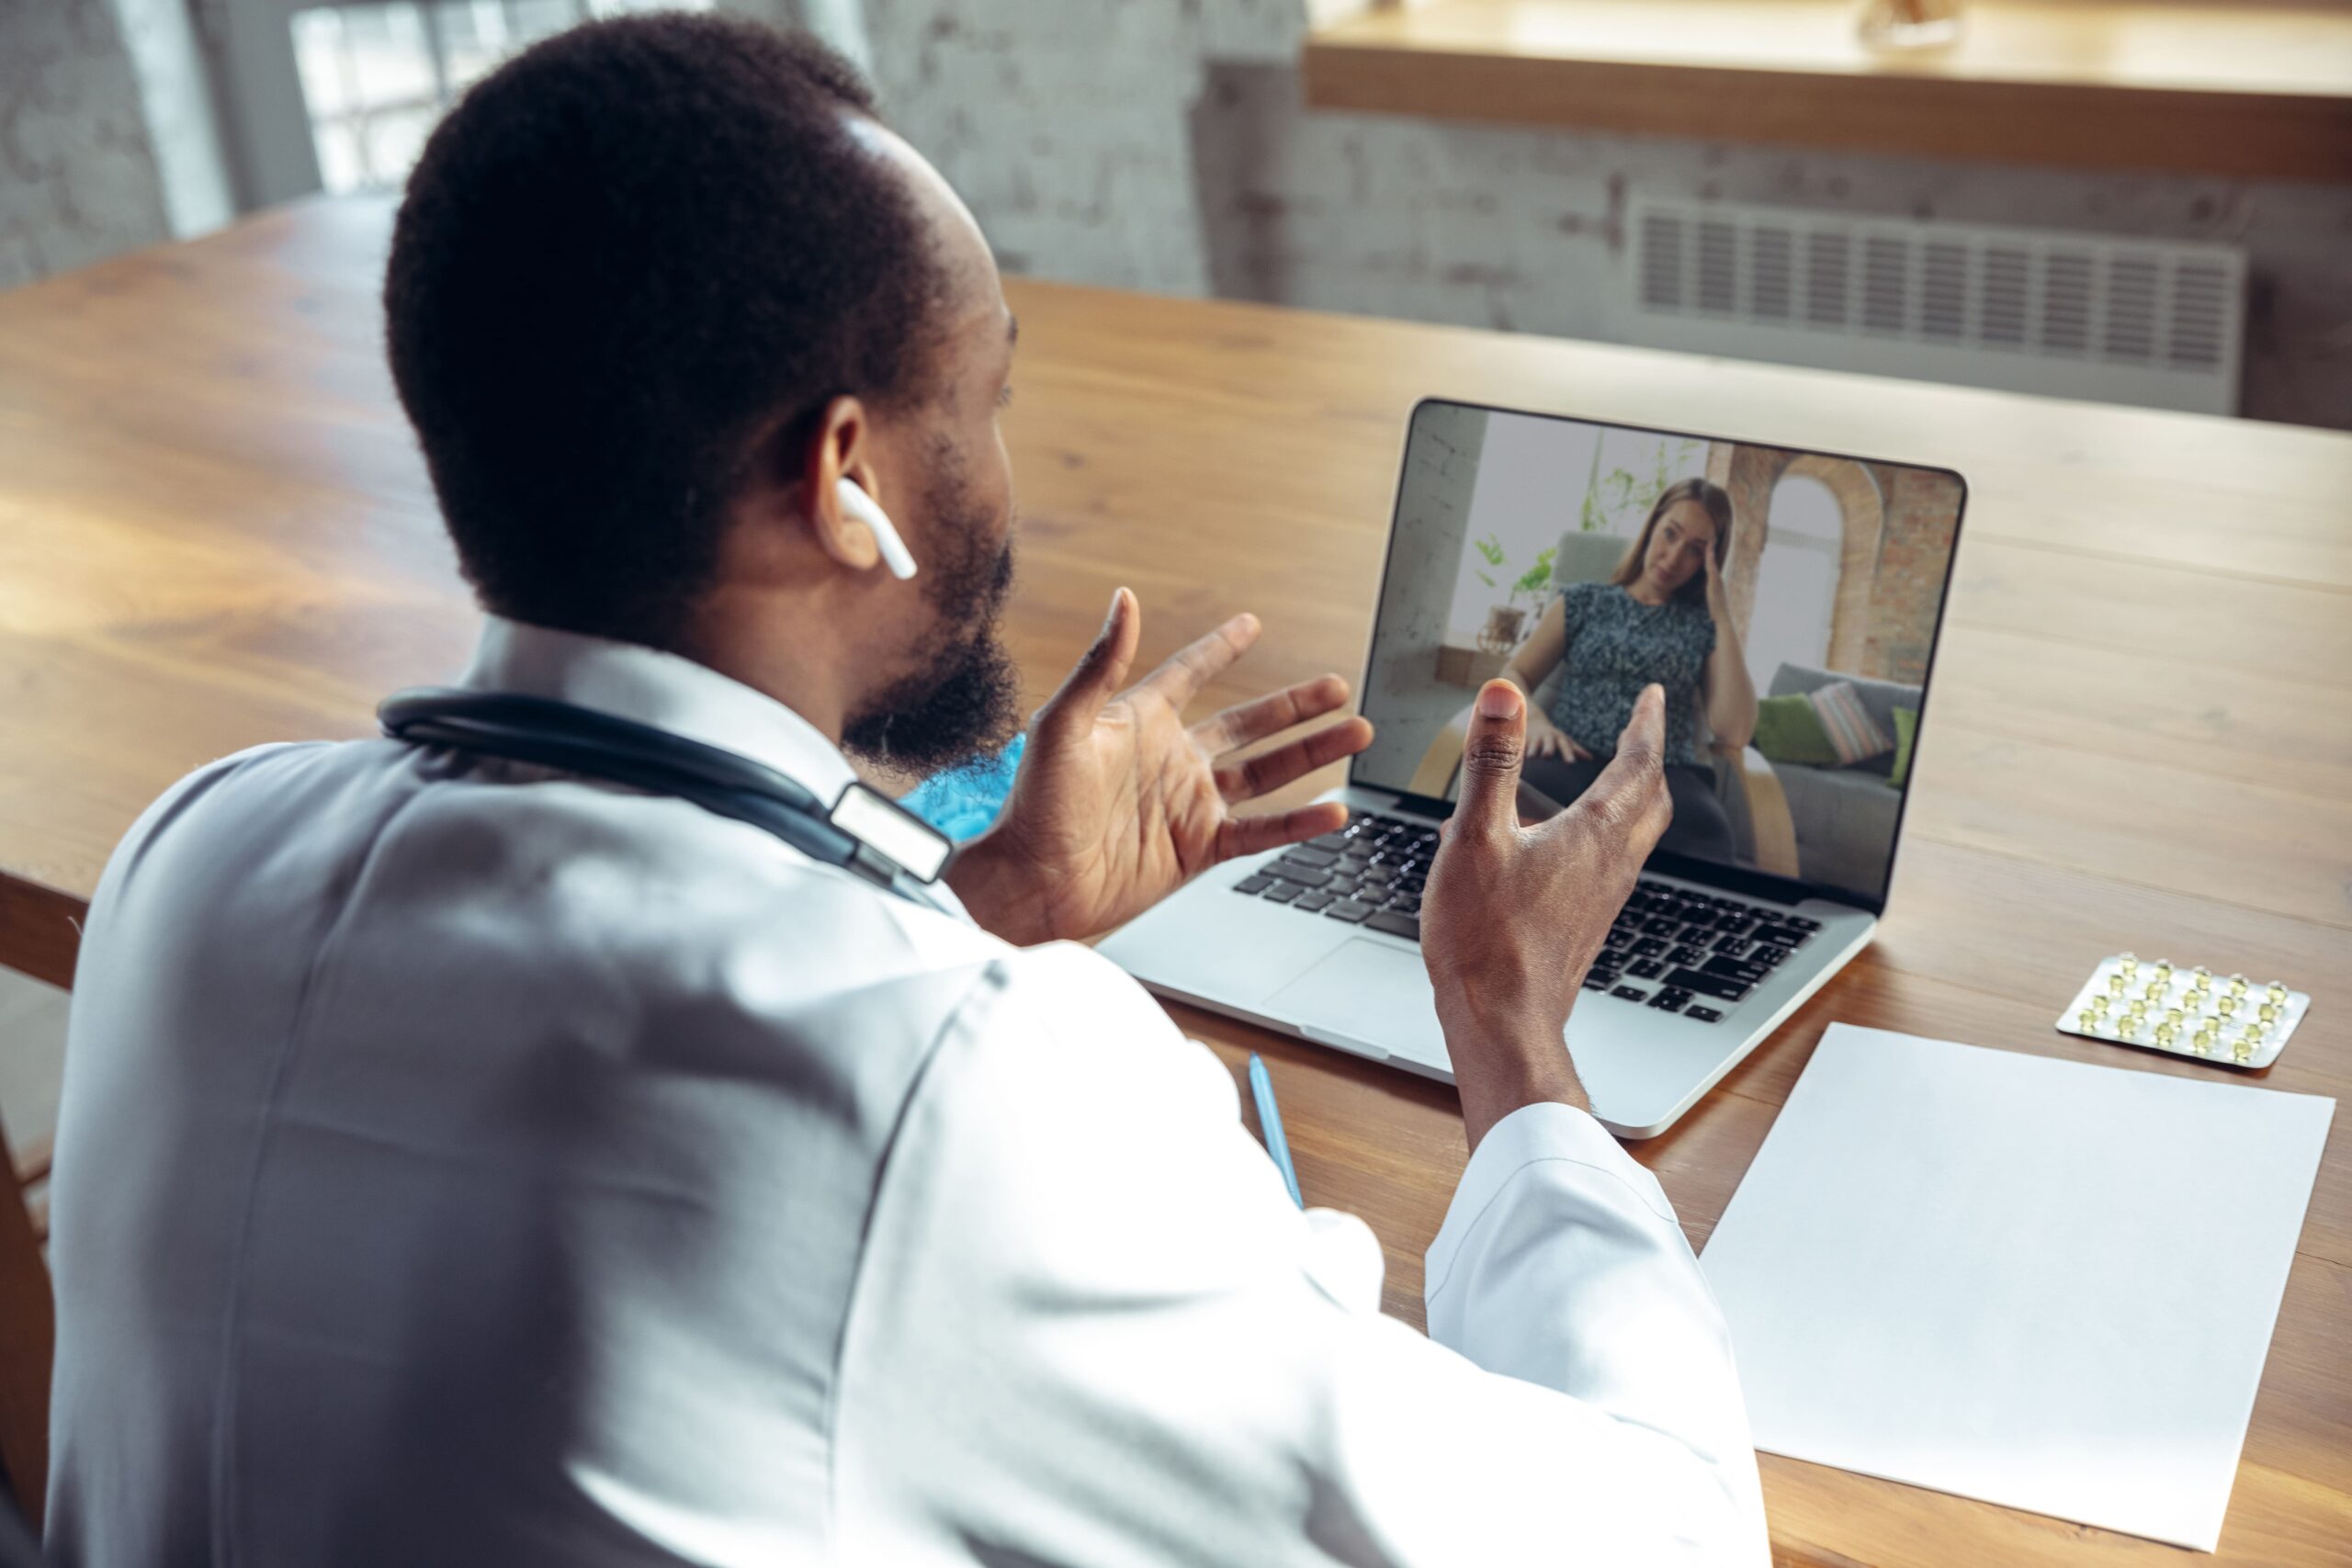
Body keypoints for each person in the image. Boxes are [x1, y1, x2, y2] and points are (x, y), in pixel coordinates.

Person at [42, 17, 1768, 1566]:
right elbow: (1662, 1535)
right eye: (988, 397)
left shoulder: (191, 856)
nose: (1007, 471)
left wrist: (973, 908)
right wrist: (1509, 1022)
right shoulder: (960, 1097)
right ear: (843, 477)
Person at [1502, 479, 1759, 863]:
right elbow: (1514, 674)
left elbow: (1734, 731)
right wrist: (1535, 722)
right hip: (1573, 757)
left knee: (1709, 833)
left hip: (1663, 773)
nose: (1674, 557)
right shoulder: (1583, 601)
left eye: (1694, 550)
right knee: (1525, 798)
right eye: (1670, 534)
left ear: (1709, 561)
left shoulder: (1702, 626)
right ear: (1652, 526)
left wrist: (1721, 614)